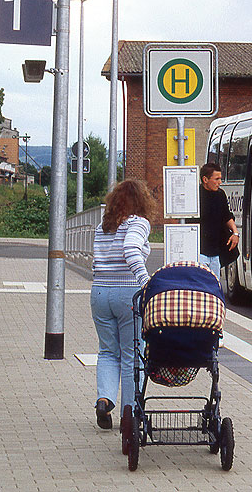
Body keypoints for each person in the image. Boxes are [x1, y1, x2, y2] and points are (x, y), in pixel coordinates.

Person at [90, 179, 156, 430]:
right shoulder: (139, 223)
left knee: (107, 351)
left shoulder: (103, 226)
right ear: (141, 201)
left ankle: (104, 400)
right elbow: (131, 249)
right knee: (132, 356)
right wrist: (145, 281)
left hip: (99, 293)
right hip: (127, 293)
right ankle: (129, 416)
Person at [198, 162, 238, 279]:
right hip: (200, 251)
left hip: (216, 252)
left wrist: (235, 233)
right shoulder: (195, 195)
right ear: (205, 179)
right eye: (217, 179)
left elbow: (227, 216)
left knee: (215, 284)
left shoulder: (220, 195)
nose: (220, 182)